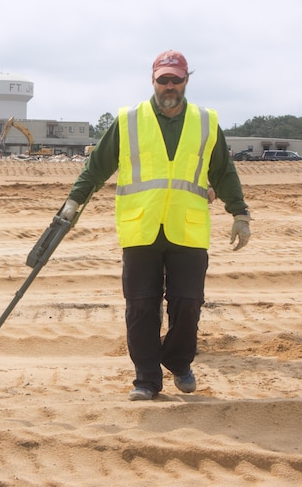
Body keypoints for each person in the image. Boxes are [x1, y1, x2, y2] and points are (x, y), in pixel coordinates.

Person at [60, 50, 251, 401]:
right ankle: (146, 379)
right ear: (153, 80)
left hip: (188, 228)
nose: (169, 86)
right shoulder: (129, 120)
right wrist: (74, 202)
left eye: (176, 79)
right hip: (141, 227)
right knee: (141, 305)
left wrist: (239, 213)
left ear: (186, 80)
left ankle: (178, 363)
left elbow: (223, 171)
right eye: (163, 79)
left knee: (188, 303)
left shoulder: (206, 121)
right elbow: (97, 167)